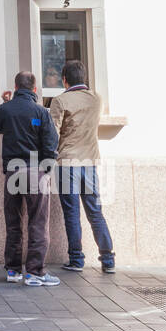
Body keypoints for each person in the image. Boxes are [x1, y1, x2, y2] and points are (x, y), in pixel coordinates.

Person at [0, 71, 61, 287]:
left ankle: (13, 270)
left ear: (15, 86)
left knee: (13, 222)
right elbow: (51, 144)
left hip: (13, 171)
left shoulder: (5, 109)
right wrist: (46, 171)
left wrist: (6, 103)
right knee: (37, 222)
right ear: (34, 88)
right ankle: (34, 272)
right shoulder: (41, 112)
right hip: (35, 171)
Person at [50, 60, 115, 274]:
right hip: (89, 162)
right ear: (84, 77)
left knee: (72, 212)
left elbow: (53, 133)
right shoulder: (96, 99)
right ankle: (108, 259)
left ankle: (76, 259)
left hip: (67, 161)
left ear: (64, 79)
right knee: (95, 210)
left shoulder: (60, 100)